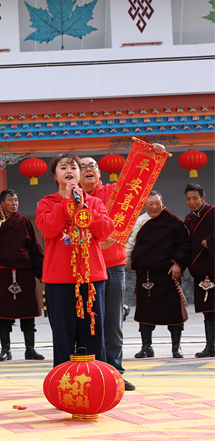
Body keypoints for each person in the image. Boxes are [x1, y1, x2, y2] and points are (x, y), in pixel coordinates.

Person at [78, 148, 165, 389]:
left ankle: (115, 373)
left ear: (99, 172)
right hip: (83, 269)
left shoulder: (112, 192)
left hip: (113, 266)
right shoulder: (70, 199)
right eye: (82, 165)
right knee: (87, 322)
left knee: (113, 322)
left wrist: (154, 154)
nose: (88, 169)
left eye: (92, 165)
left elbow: (141, 181)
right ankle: (90, 372)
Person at [36, 153, 114, 366]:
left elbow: (105, 230)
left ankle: (98, 381)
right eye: (63, 168)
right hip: (59, 280)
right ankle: (64, 382)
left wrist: (84, 208)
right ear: (55, 175)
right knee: (63, 336)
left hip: (91, 278)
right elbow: (49, 229)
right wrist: (66, 204)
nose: (69, 171)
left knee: (94, 335)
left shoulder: (95, 203)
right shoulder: (47, 203)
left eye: (73, 167)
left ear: (80, 174)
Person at [0, 189, 44, 362]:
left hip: (24, 274)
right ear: (2, 203)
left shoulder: (25, 223)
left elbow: (35, 249)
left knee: (28, 312)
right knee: (3, 313)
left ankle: (30, 349)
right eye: (10, 200)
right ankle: (5, 349)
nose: (14, 203)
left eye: (16, 200)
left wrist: (41, 272)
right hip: (2, 274)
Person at [126, 191, 191, 358]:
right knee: (145, 312)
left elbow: (184, 245)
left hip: (168, 273)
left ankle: (176, 347)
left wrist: (178, 263)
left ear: (163, 202)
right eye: (150, 204)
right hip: (145, 273)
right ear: (144, 205)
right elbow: (131, 243)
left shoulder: (173, 221)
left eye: (157, 203)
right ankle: (146, 347)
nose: (154, 207)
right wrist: (124, 260)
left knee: (173, 312)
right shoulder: (141, 221)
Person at [183, 183, 215, 358]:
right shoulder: (188, 219)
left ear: (203, 198)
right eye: (188, 199)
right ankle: (210, 345)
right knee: (208, 309)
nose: (192, 202)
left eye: (195, 198)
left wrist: (210, 241)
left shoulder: (213, 213)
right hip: (200, 270)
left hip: (213, 265)